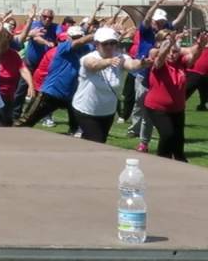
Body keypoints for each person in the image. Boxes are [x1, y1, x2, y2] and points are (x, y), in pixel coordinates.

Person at [72, 26, 144, 143]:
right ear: (97, 44)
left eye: (113, 43)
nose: (110, 46)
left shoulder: (120, 57)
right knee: (97, 141)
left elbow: (131, 65)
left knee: (98, 140)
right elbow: (93, 65)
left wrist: (142, 63)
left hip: (107, 111)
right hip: (86, 109)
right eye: (105, 43)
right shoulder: (89, 57)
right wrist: (109, 61)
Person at [141, 31, 202, 161]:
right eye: (170, 51)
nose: (172, 54)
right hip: (157, 108)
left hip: (177, 109)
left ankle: (180, 162)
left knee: (179, 140)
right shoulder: (159, 64)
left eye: (175, 52)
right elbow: (161, 58)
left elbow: (194, 57)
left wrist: (201, 45)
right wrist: (169, 45)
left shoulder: (181, 61)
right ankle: (162, 161)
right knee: (167, 135)